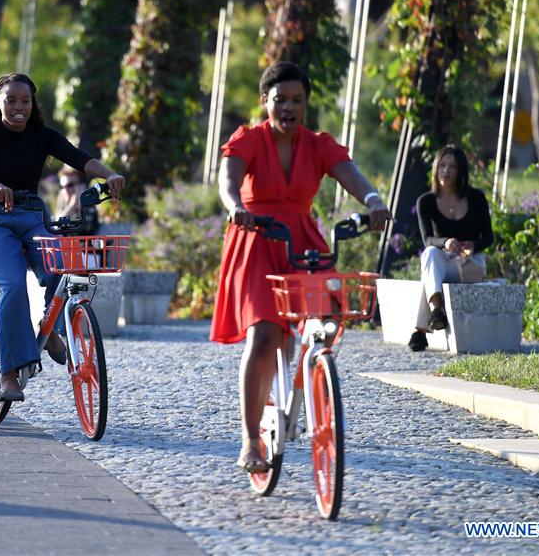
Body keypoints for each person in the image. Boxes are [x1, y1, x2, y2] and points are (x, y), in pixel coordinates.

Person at [210, 61, 391, 472]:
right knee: (261, 334)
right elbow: (228, 179)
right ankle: (251, 439)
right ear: (265, 102)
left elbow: (352, 175)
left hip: (301, 240)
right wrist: (236, 207)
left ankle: (307, 380)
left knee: (322, 321)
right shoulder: (250, 138)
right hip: (256, 237)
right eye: (280, 100)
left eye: (297, 100)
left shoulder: (317, 143)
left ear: (306, 104)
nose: (288, 108)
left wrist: (375, 201)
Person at [0, 72, 124, 402]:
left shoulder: (41, 135)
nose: (19, 107)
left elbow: (80, 158)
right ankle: (9, 373)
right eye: (11, 101)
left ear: (33, 103)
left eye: (25, 101)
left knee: (62, 271)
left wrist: (110, 174)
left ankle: (50, 333)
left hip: (33, 217)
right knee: (12, 285)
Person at [408, 146, 494, 352]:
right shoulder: (426, 201)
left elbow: (489, 238)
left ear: (461, 172)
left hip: (470, 264)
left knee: (429, 279)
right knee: (430, 254)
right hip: (444, 262)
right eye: (442, 165)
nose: (446, 171)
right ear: (436, 169)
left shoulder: (476, 198)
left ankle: (420, 332)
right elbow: (427, 239)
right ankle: (437, 311)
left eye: (453, 167)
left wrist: (474, 244)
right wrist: (445, 242)